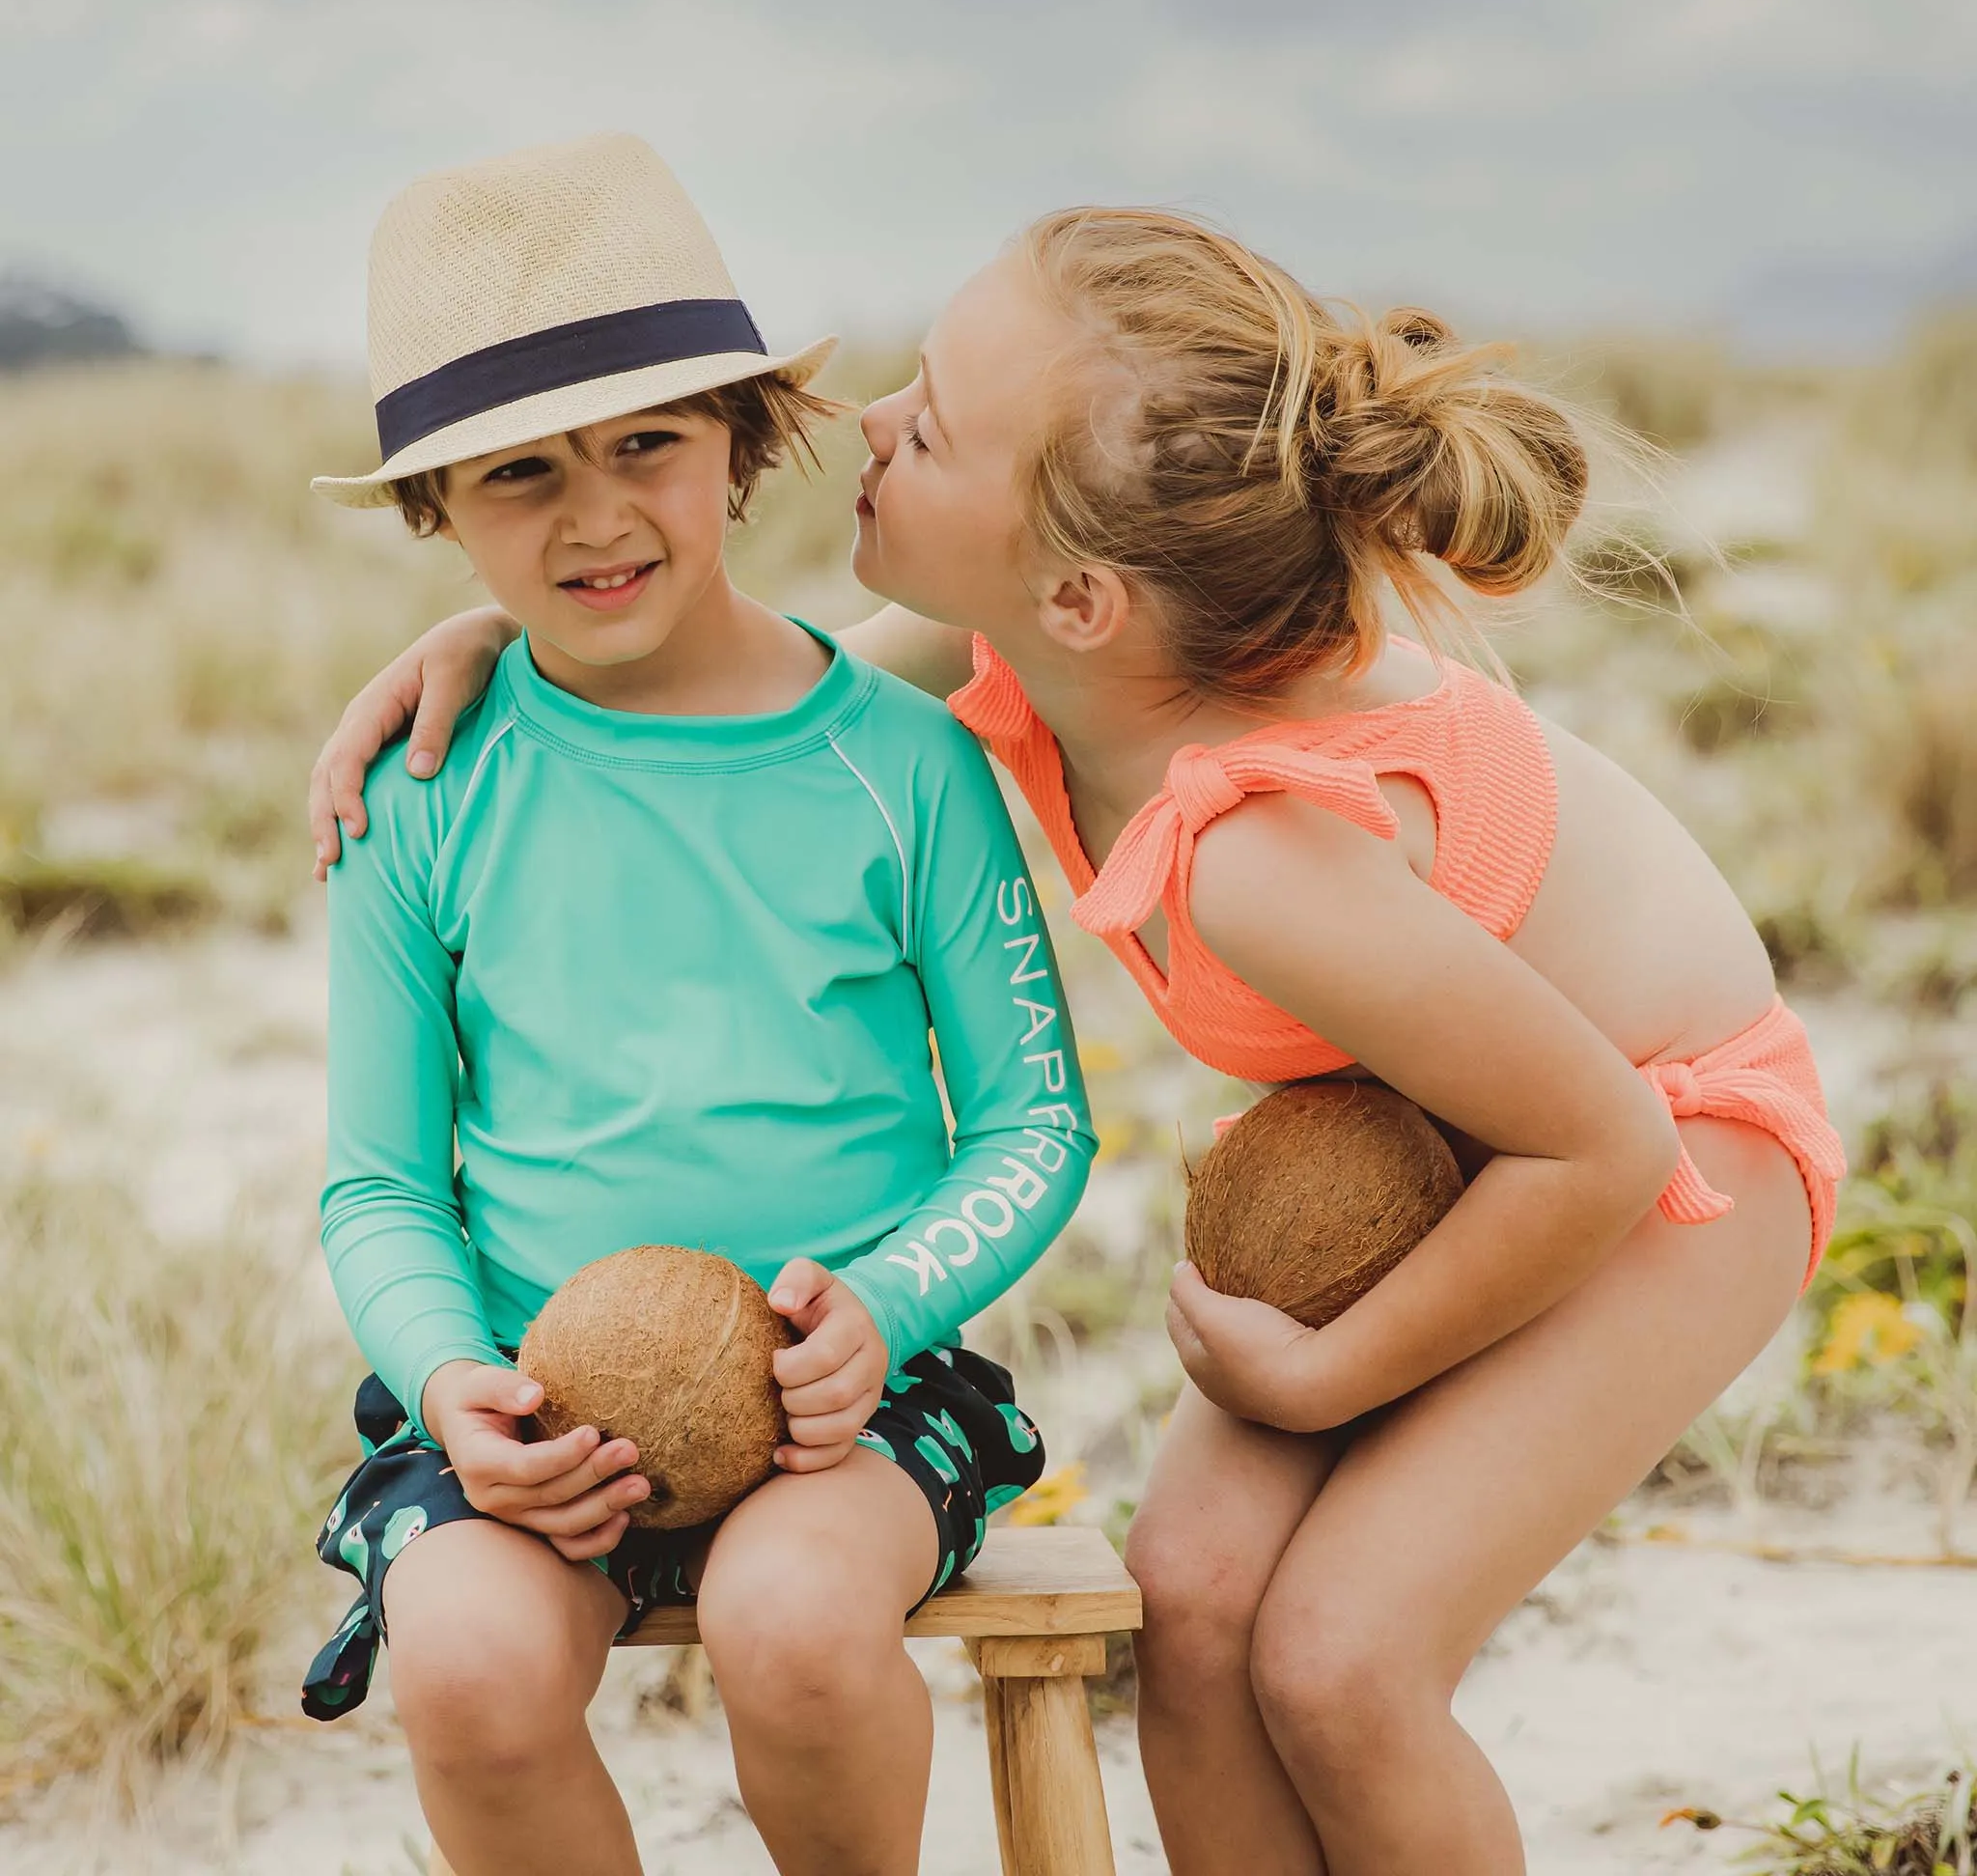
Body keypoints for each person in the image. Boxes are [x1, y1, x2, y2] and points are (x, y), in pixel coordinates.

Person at [312, 206, 1845, 1876]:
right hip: (1443, 1132)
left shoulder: (1259, 857)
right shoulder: (1021, 645)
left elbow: (1597, 1150)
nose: (876, 423)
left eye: (935, 419)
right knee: (1189, 1600)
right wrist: (480, 631)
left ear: (1079, 593)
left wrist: (1327, 1373)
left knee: (1342, 1662)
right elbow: (716, 689)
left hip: (1668, 1156)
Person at [300, 134, 1093, 1876]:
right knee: (472, 1672)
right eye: (517, 476)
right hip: (519, 1398)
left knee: (797, 1635)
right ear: (438, 515)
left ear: (741, 431)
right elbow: (375, 1181)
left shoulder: (907, 767)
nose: (595, 516)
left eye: (645, 443)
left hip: (857, 1404)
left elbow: (1039, 1126)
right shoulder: (420, 794)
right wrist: (449, 1387)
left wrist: (885, 1301)